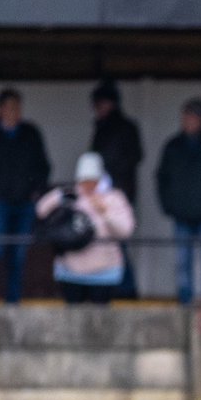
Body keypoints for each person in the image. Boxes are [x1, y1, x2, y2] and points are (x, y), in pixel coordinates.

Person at [0, 88, 51, 304]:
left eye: (17, 107)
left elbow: (43, 167)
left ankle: (13, 303)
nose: (14, 112)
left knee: (19, 254)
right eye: (10, 107)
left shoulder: (31, 133)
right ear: (0, 109)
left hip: (25, 203)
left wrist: (35, 192)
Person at [36, 152, 135, 304]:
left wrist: (105, 212)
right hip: (70, 270)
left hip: (104, 272)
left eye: (92, 181)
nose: (88, 185)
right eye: (84, 180)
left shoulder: (114, 197)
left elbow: (125, 231)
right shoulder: (71, 195)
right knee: (73, 317)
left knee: (100, 319)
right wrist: (60, 195)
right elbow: (41, 210)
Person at [156, 97, 201, 305]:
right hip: (181, 214)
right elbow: (162, 178)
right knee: (182, 263)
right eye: (185, 117)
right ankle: (185, 302)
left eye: (192, 117)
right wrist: (169, 206)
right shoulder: (173, 146)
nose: (188, 121)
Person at [90, 79, 143, 298]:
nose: (97, 109)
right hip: (107, 194)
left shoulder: (123, 128)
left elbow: (133, 157)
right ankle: (117, 288)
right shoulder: (102, 128)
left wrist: (110, 180)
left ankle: (126, 289)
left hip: (118, 195)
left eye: (100, 104)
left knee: (117, 243)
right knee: (110, 244)